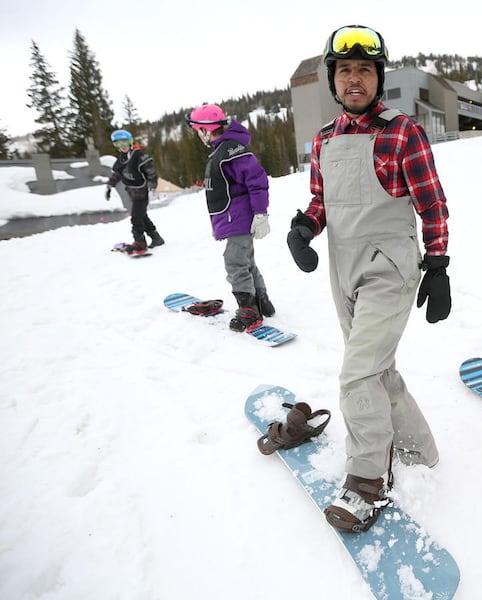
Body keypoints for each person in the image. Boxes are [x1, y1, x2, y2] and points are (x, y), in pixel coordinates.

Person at [287, 24, 451, 532]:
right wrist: (304, 227)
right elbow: (322, 199)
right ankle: (417, 450)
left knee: (356, 373)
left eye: (364, 69)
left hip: (390, 269)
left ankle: (367, 480)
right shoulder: (324, 139)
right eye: (345, 71)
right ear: (333, 81)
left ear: (379, 78)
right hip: (344, 269)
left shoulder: (403, 132)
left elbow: (432, 204)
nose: (354, 79)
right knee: (376, 369)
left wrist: (438, 264)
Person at [186, 104, 275, 332]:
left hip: (238, 217)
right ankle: (261, 301)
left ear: (206, 129)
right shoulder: (222, 150)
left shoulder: (231, 150)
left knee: (235, 262)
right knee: (246, 261)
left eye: (198, 131)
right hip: (232, 217)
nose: (198, 136)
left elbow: (257, 181)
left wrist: (261, 213)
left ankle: (248, 311)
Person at [106, 129, 164, 253]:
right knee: (142, 216)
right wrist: (110, 185)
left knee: (136, 218)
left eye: (124, 143)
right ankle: (156, 238)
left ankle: (140, 242)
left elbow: (151, 173)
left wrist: (152, 187)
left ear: (130, 142)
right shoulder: (121, 159)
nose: (122, 146)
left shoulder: (139, 156)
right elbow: (117, 174)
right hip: (132, 192)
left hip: (142, 192)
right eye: (118, 144)